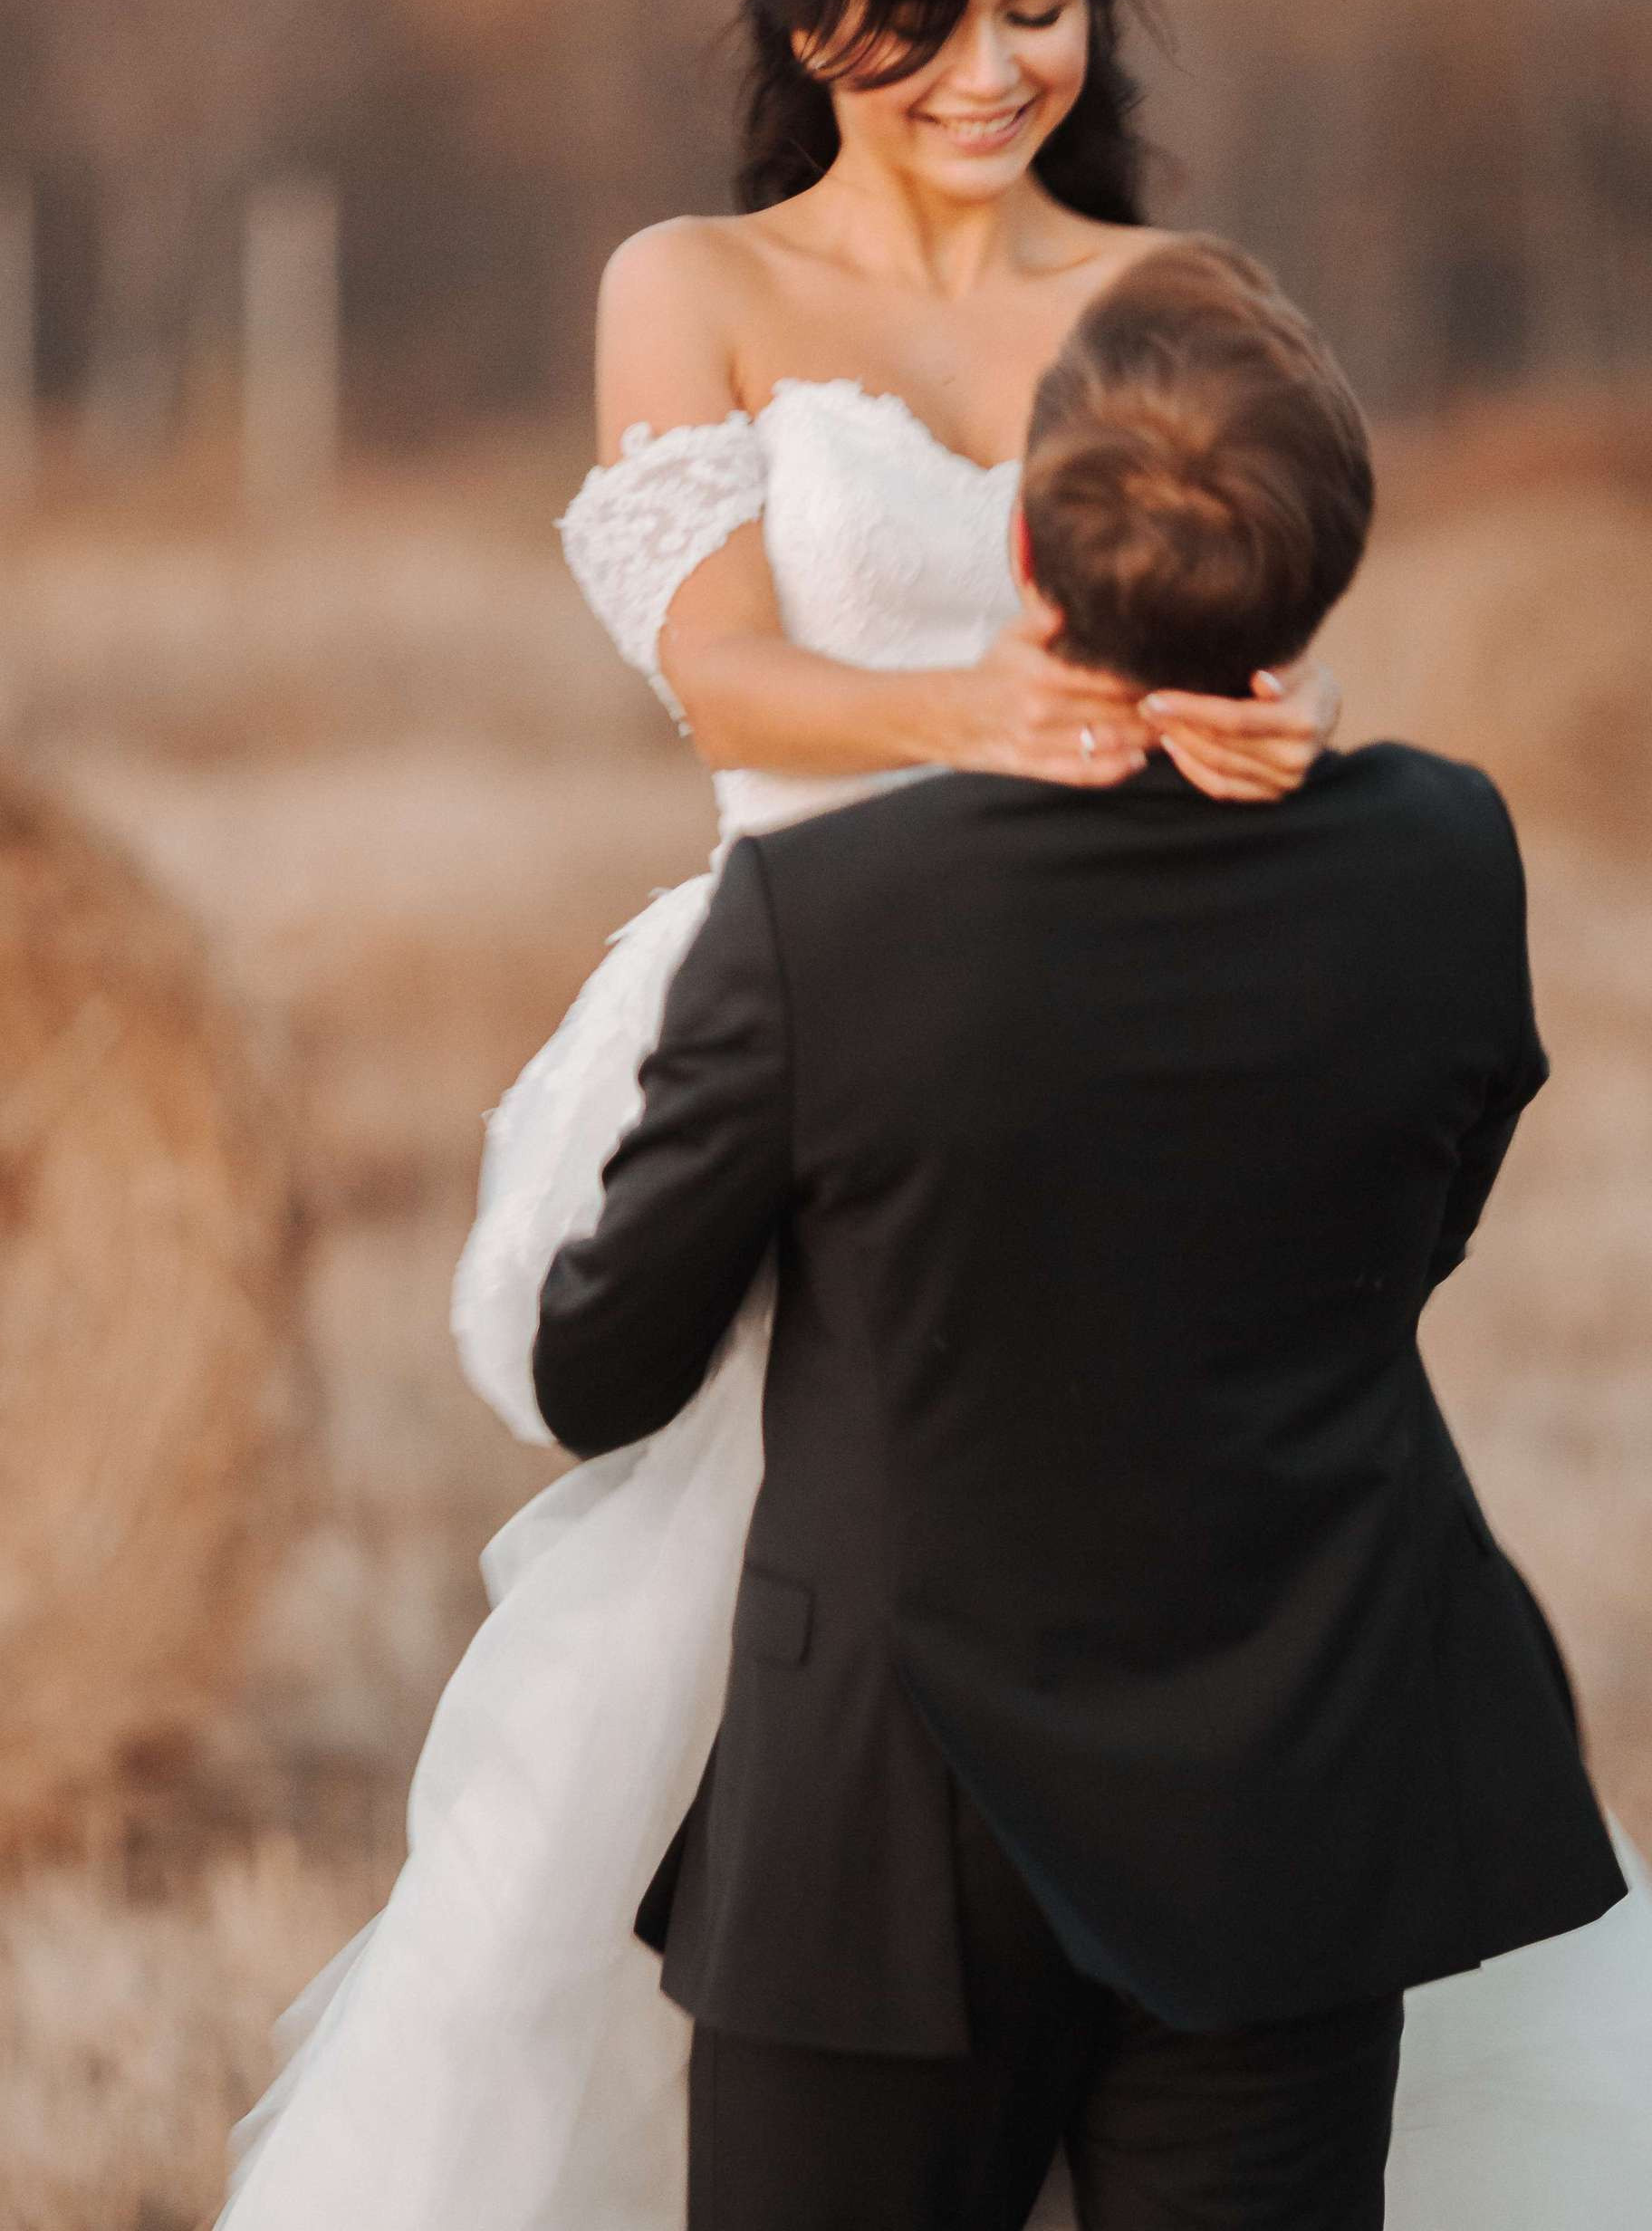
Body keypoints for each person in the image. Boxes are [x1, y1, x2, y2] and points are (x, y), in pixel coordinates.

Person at [216, 0, 1652, 2231]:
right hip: (836, 1010)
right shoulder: (697, 284)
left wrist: (1270, 719)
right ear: (804, 23)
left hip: (1142, 1026)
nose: (989, 70)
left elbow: (1255, 590)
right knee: (720, 1710)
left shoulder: (1179, 291)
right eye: (921, 12)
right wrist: (972, 720)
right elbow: (722, 663)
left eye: (1038, 4)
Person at [531, 233, 1627, 2229]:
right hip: (1297, 1782)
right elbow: (1425, 1215)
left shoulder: (824, 918)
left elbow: (594, 1370)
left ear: (1026, 573)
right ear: (1321, 571)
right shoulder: (1449, 854)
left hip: (887, 1833)